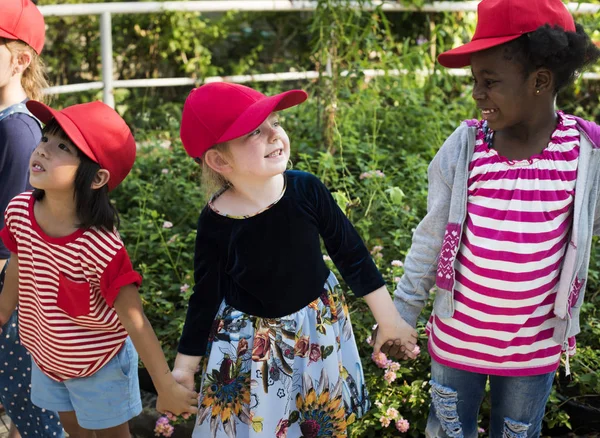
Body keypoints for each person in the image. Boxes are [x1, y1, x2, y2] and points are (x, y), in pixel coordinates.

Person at [383, 0, 600, 436]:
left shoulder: (585, 154)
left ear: (540, 81)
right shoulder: (465, 149)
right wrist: (402, 311)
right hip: (457, 343)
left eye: (490, 81)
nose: (477, 92)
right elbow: (429, 239)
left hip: (532, 351)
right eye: (474, 80)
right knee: (447, 431)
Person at [161, 82, 418, 437]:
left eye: (275, 122)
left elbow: (351, 254)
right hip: (251, 345)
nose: (274, 135)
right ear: (220, 160)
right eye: (255, 131)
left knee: (314, 421)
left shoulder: (305, 189)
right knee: (259, 425)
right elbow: (205, 296)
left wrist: (389, 320)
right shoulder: (216, 220)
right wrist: (184, 367)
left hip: (315, 329)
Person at [0, 101, 198, 438]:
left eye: (62, 147)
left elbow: (135, 320)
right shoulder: (20, 210)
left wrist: (166, 387)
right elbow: (20, 260)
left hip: (98, 364)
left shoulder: (100, 246)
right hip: (47, 353)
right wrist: (3, 311)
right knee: (74, 430)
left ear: (97, 177)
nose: (43, 150)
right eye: (46, 139)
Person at [0, 0, 63, 436]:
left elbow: (12, 243)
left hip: (14, 298)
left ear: (21, 60)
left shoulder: (17, 131)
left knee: (29, 403)